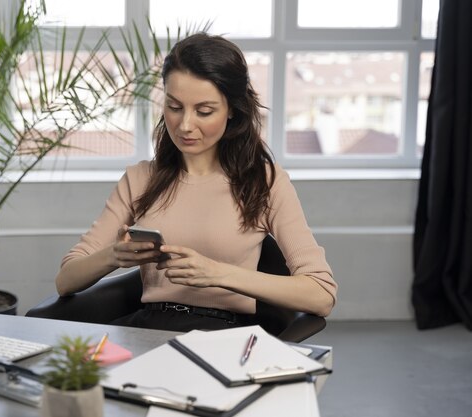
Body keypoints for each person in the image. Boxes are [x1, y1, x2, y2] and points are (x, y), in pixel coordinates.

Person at [55, 33, 337, 332]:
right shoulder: (139, 179)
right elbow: (66, 280)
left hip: (224, 337)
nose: (185, 125)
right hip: (149, 330)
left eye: (204, 111)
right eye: (174, 107)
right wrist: (114, 255)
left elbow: (321, 295)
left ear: (232, 110)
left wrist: (217, 274)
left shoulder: (265, 182)